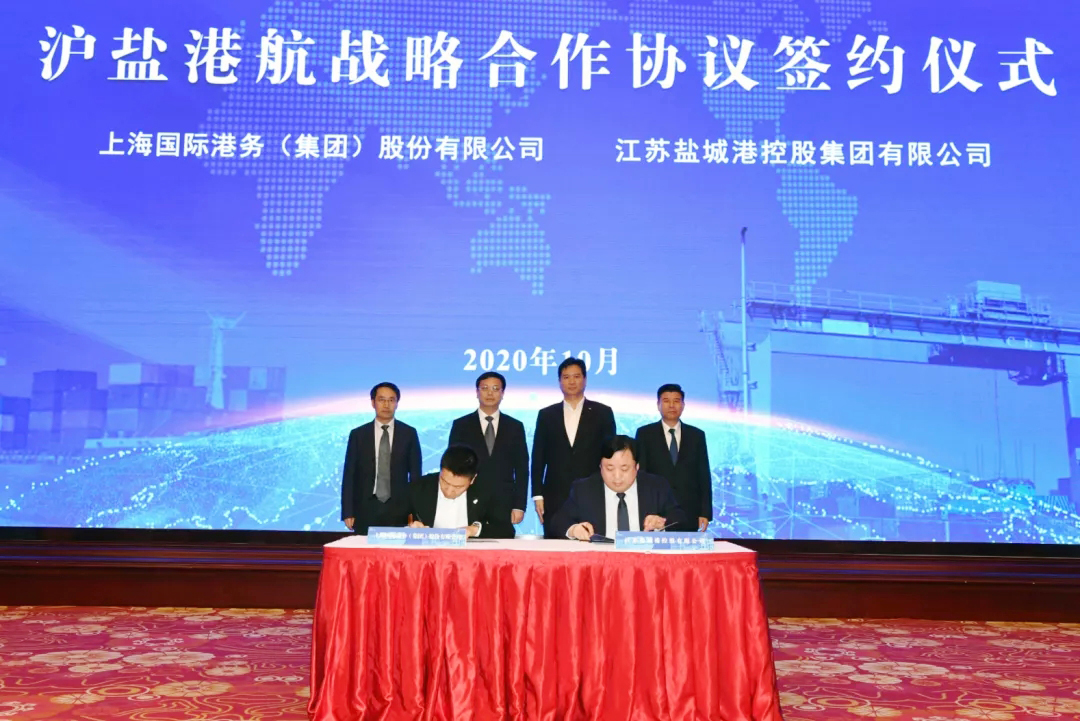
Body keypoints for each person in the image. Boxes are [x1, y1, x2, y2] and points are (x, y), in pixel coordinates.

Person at [531, 358, 617, 538]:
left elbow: (610, 455)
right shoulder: (547, 415)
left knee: (593, 540)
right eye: (566, 377)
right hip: (555, 493)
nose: (571, 381)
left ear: (585, 380)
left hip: (593, 492)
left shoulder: (603, 413)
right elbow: (538, 457)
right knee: (555, 543)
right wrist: (538, 495)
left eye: (576, 376)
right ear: (559, 381)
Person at [551, 435, 684, 540]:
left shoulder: (656, 486)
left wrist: (662, 523)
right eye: (609, 468)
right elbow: (558, 521)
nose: (617, 476)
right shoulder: (584, 489)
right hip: (600, 561)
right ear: (600, 467)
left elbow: (680, 518)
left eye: (624, 469)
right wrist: (574, 529)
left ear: (637, 467)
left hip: (646, 560)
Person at [448, 372, 529, 531]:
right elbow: (453, 466)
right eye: (484, 388)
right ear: (477, 392)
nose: (490, 393)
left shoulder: (515, 427)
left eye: (495, 388)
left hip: (504, 502)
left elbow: (522, 469)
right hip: (468, 499)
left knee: (504, 544)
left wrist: (519, 505)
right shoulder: (461, 425)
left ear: (503, 393)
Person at [340, 382, 422, 534]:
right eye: (381, 399)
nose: (386, 405)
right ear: (373, 403)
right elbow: (350, 474)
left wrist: (416, 512)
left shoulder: (409, 433)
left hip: (399, 509)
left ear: (397, 403)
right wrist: (347, 511)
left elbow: (415, 475)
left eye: (391, 400)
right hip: (365, 507)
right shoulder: (358, 435)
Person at [634, 384, 713, 531]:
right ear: (658, 405)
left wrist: (705, 512)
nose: (671, 405)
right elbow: (641, 473)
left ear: (683, 405)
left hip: (688, 510)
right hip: (655, 510)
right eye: (666, 401)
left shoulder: (696, 435)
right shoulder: (645, 434)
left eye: (676, 401)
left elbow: (703, 475)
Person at [406, 444, 513, 538]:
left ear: (473, 479)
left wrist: (473, 530)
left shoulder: (487, 490)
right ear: (440, 471)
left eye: (458, 487)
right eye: (444, 482)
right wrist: (410, 528)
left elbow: (506, 530)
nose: (449, 491)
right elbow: (397, 521)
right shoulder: (418, 487)